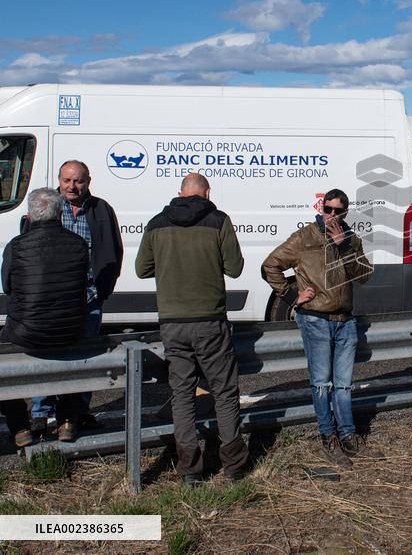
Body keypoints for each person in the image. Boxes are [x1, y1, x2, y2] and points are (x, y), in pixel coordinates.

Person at [136, 174, 249, 483]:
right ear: (207, 193)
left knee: (182, 395)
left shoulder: (157, 223)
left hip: (173, 322)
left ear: (180, 193)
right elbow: (235, 268)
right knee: (224, 392)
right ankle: (234, 466)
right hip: (210, 320)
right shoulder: (219, 220)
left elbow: (141, 269)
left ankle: (190, 470)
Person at [262, 187, 374, 465]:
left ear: (345, 212)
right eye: (327, 209)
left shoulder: (351, 240)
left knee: (344, 385)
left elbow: (364, 276)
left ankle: (348, 435)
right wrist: (292, 296)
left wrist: (344, 246)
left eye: (337, 211)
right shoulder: (304, 237)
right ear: (321, 208)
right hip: (315, 319)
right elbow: (270, 265)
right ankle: (328, 436)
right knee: (322, 383)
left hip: (345, 320)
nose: (331, 215)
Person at [32, 160, 123, 436]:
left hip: (88, 298)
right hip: (53, 300)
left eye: (78, 181)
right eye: (67, 180)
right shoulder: (46, 206)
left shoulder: (101, 209)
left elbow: (114, 250)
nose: (72, 186)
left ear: (88, 182)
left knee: (85, 358)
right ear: (59, 180)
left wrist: (103, 289)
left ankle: (76, 413)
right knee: (49, 356)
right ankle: (41, 413)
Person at [2, 188, 90, 446]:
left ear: (29, 216)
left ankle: (20, 427)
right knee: (75, 356)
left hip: (26, 331)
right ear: (60, 214)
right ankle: (67, 421)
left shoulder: (16, 246)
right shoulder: (78, 244)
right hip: (70, 329)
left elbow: (7, 286)